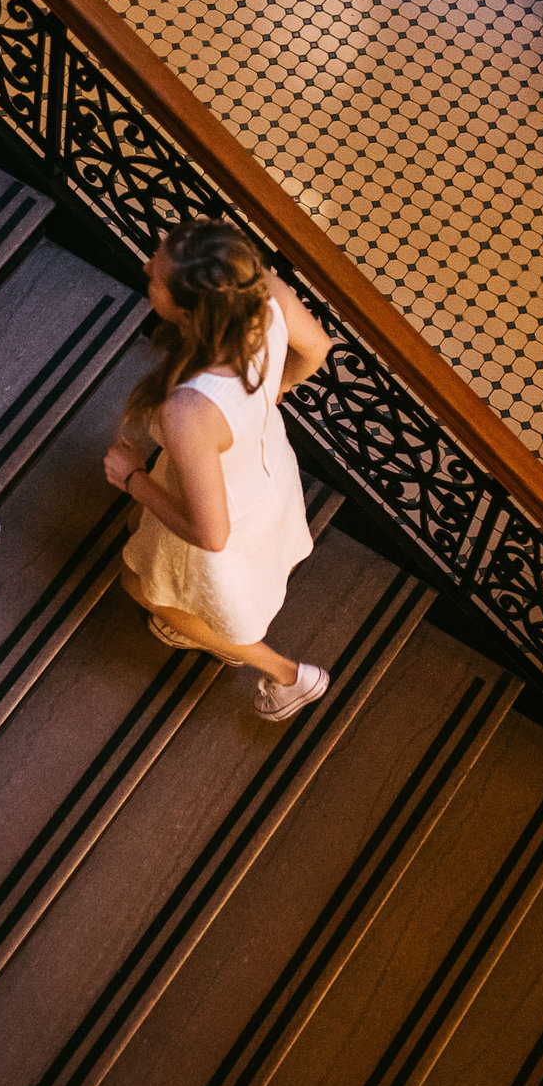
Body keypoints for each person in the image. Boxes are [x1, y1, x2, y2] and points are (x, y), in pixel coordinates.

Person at [107, 220, 334, 719]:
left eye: (157, 275)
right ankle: (197, 615)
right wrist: (274, 392)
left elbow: (211, 537)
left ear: (189, 312)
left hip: (221, 508)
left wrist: (133, 479)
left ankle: (286, 674)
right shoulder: (266, 291)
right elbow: (316, 348)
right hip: (260, 467)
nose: (146, 264)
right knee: (148, 550)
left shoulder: (190, 409)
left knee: (138, 585)